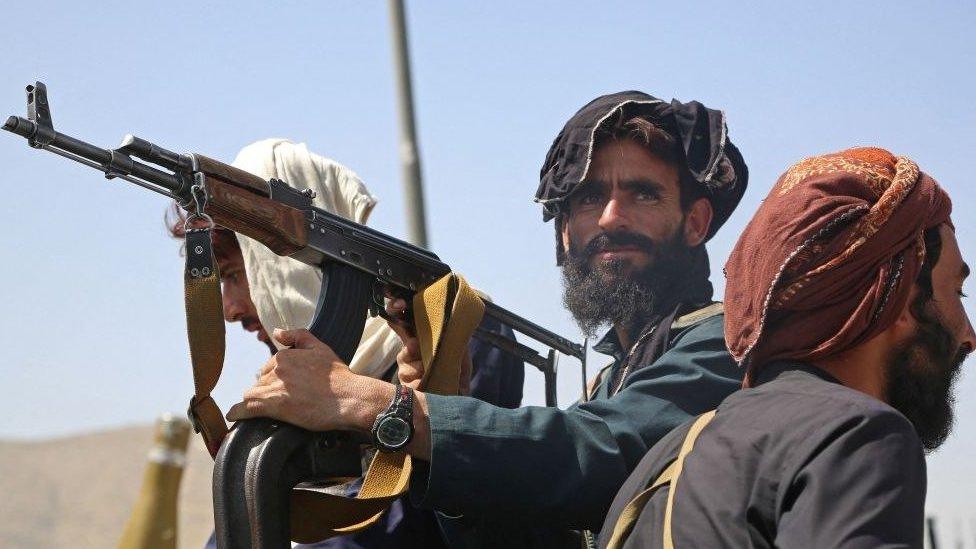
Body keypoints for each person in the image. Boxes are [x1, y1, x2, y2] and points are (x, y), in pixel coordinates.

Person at [227, 92, 750, 543]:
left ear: (695, 222)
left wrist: (371, 403)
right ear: (564, 231)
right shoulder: (615, 377)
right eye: (589, 197)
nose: (611, 217)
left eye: (643, 193)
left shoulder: (726, 345)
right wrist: (445, 415)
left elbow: (603, 449)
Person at [599, 147, 974, 548]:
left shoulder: (663, 460)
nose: (968, 336)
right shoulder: (856, 434)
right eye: (956, 292)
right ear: (898, 297)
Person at [169, 139, 523, 547]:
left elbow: (403, 521)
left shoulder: (458, 337)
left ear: (280, 264)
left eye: (234, 274)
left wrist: (371, 405)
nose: (229, 309)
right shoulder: (295, 387)